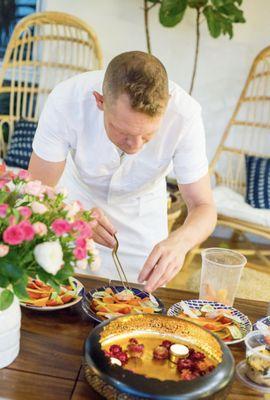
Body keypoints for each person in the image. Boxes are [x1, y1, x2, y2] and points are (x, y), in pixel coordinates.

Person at [28, 51, 217, 292]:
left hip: (143, 216)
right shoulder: (66, 100)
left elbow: (204, 206)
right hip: (75, 202)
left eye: (147, 135)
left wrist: (180, 243)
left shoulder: (186, 116)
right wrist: (71, 215)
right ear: (100, 101)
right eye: (123, 132)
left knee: (140, 307)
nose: (135, 146)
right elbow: (36, 189)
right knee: (61, 298)